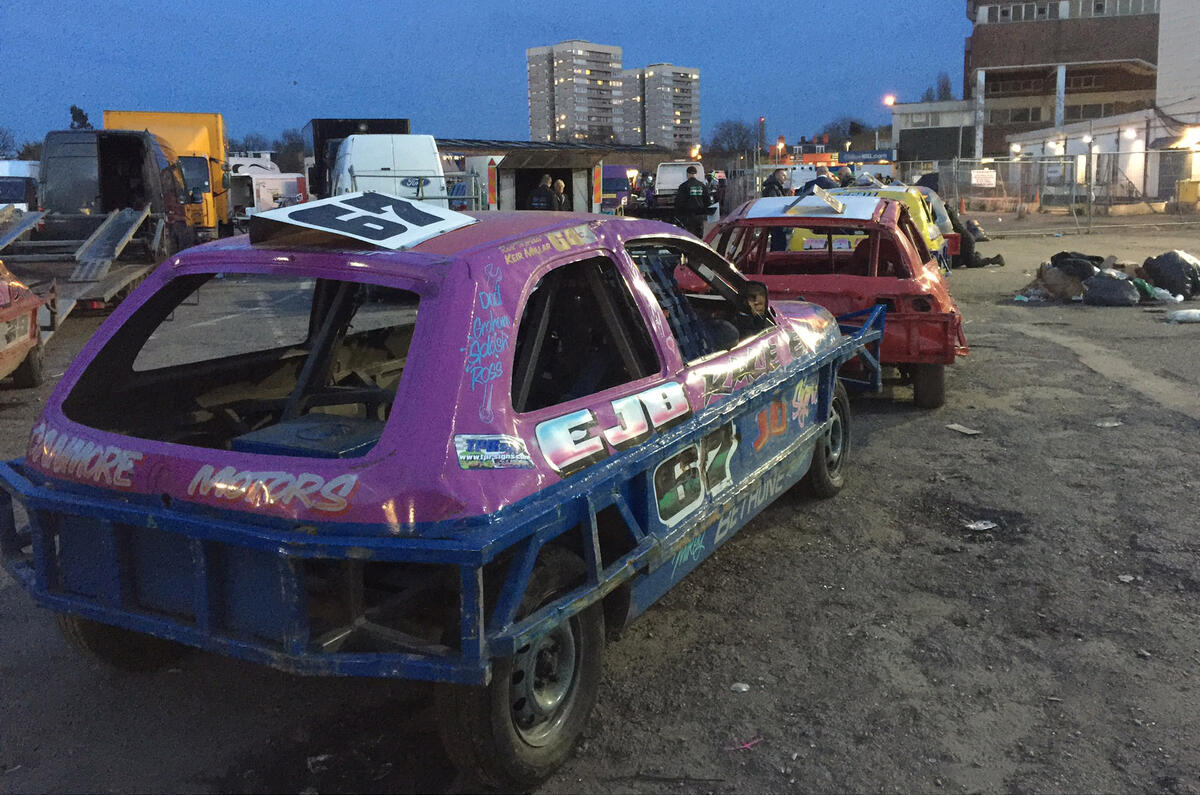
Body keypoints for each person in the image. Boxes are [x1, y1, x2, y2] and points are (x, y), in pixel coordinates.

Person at [673, 165, 710, 238]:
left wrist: (678, 215)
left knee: (689, 237)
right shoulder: (702, 186)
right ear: (696, 174)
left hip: (688, 216)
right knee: (699, 237)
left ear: (687, 174)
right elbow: (707, 201)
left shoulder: (683, 186)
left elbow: (679, 203)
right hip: (699, 217)